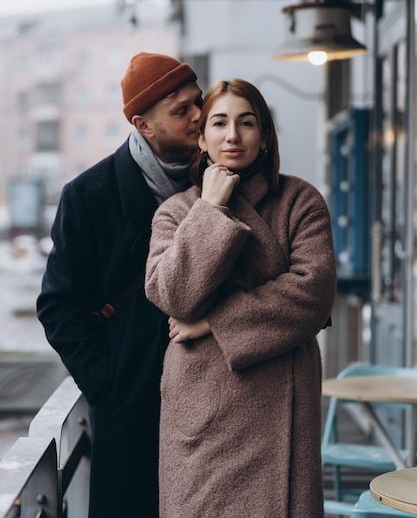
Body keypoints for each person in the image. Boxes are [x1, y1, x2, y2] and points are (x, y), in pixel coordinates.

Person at [145, 78, 336, 517]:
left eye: (247, 123)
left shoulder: (300, 201)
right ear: (201, 137)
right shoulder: (176, 211)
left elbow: (313, 291)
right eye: (220, 123)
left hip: (281, 405)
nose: (233, 135)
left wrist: (215, 322)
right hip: (201, 410)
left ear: (265, 136)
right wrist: (210, 210)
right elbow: (173, 294)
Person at [36, 52, 202, 518]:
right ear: (142, 125)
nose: (198, 117)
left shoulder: (222, 178)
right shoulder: (89, 196)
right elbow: (57, 305)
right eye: (181, 110)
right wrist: (111, 385)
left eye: (199, 102)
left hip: (219, 405)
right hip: (135, 411)